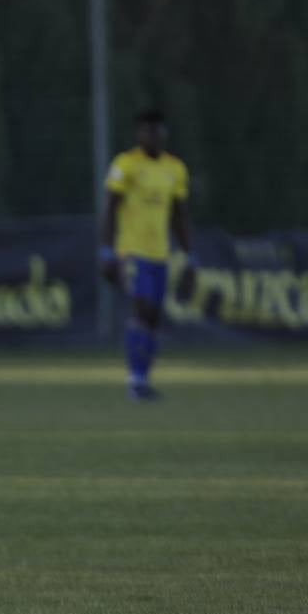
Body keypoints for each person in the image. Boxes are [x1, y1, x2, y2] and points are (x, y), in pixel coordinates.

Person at [99, 107, 198, 400]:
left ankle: (143, 377)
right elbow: (110, 207)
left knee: (153, 316)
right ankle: (136, 381)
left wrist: (190, 257)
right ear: (138, 134)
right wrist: (106, 251)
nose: (151, 136)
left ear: (164, 134)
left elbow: (179, 216)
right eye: (145, 130)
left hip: (160, 254)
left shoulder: (175, 169)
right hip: (131, 252)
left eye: (156, 130)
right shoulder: (126, 164)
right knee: (140, 308)